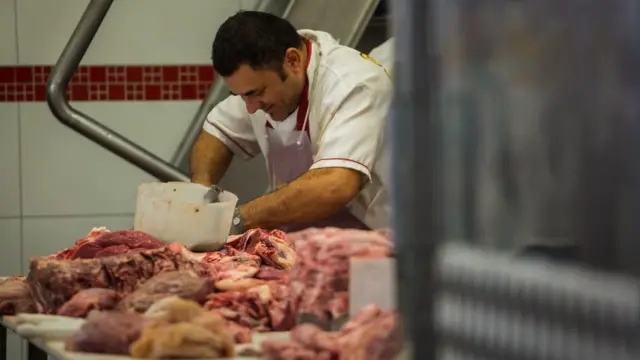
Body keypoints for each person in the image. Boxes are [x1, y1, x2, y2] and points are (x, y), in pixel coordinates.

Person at [190, 11, 392, 234]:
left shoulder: (355, 85)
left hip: (391, 237)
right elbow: (217, 133)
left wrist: (237, 219)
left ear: (293, 61)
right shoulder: (259, 82)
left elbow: (336, 184)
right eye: (241, 96)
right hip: (323, 238)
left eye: (256, 93)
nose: (250, 107)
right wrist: (202, 192)